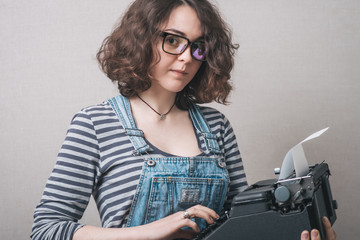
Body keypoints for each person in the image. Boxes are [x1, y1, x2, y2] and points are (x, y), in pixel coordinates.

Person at [31, 0, 337, 239]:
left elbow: (242, 227)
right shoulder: (95, 124)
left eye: (198, 46)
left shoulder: (217, 127)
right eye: (173, 40)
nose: (187, 56)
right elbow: (46, 230)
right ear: (141, 39)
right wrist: (150, 232)